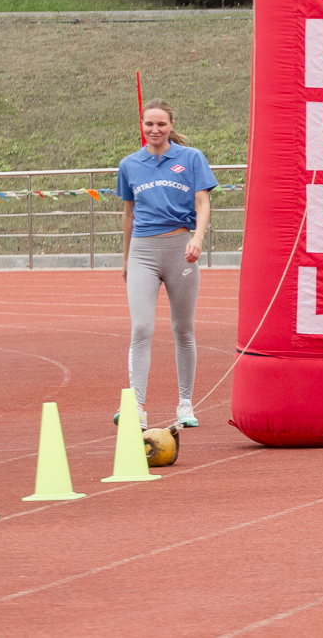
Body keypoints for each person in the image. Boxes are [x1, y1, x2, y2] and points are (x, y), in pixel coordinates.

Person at [115, 99, 216, 428]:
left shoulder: (191, 158)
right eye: (149, 124)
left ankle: (185, 404)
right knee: (141, 329)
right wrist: (127, 257)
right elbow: (128, 214)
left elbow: (203, 200)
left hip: (180, 249)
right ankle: (137, 406)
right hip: (143, 251)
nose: (155, 130)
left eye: (161, 124)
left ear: (171, 125)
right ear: (141, 126)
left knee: (183, 331)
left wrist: (197, 238)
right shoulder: (130, 165)